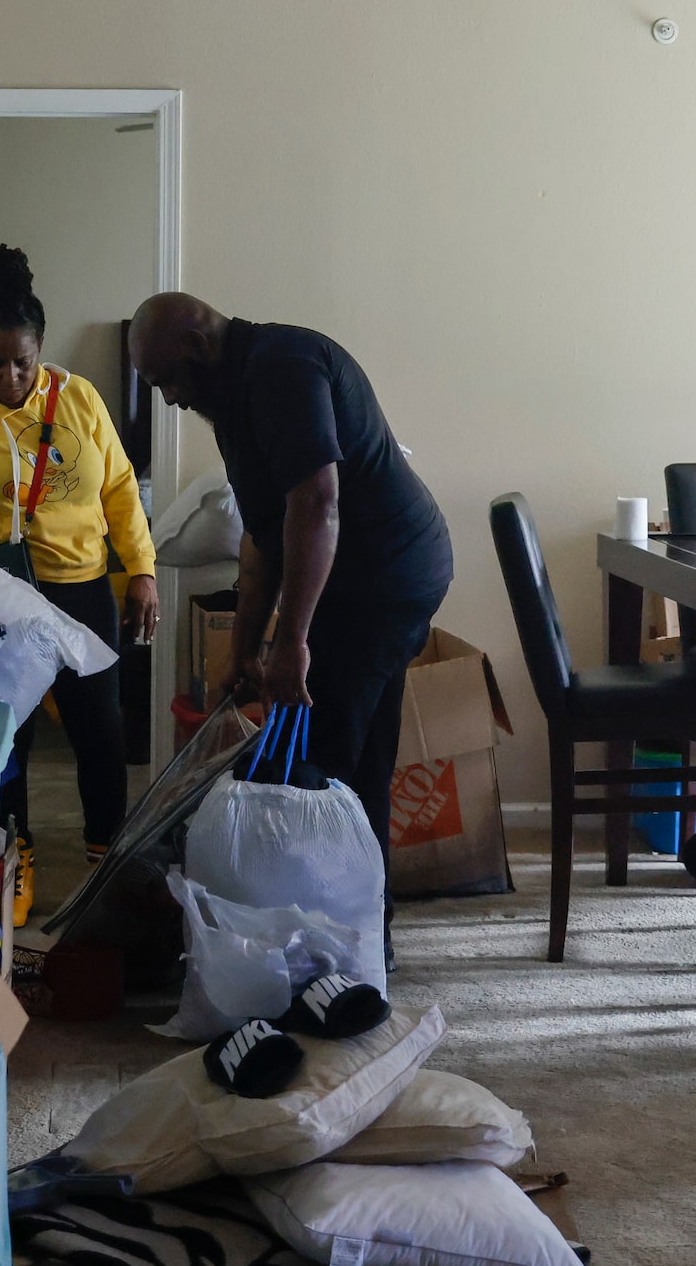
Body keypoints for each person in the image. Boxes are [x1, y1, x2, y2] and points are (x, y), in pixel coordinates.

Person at [127, 293, 452, 922]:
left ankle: (342, 936)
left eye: (167, 379)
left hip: (387, 576)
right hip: (364, 579)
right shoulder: (231, 399)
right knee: (356, 753)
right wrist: (245, 647)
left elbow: (316, 504)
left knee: (324, 764)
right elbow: (262, 538)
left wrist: (293, 644)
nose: (168, 397)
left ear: (197, 346)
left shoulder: (282, 367)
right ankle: (357, 924)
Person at [0, 247, 159, 856]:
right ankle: (9, 855)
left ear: (41, 347)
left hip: (82, 588)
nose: (10, 377)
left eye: (22, 362)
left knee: (99, 728)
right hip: (2, 595)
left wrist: (142, 572)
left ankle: (105, 850)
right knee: (6, 735)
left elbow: (121, 489)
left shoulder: (81, 401)